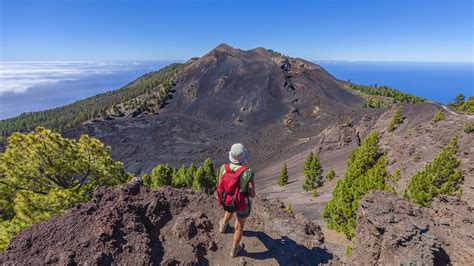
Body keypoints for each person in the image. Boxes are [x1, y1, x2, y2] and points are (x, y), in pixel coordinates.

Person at [217, 143, 256, 257]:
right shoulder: (248, 172)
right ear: (243, 157)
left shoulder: (223, 168)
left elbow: (220, 185)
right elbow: (252, 194)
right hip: (242, 202)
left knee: (229, 209)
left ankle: (223, 227)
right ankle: (234, 250)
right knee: (239, 226)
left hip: (228, 199)